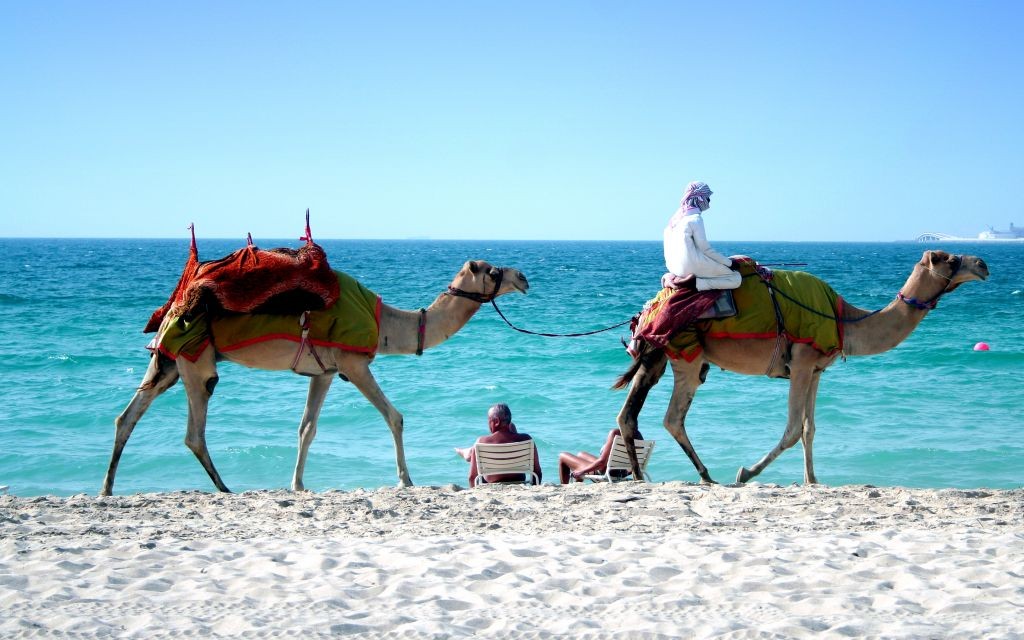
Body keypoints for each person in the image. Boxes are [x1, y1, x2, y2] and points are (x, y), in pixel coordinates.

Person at [662, 181, 742, 291]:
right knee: (736, 279)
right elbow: (705, 249)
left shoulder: (673, 222)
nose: (709, 202)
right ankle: (696, 283)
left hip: (674, 268)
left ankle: (668, 278)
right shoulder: (695, 219)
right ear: (699, 198)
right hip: (690, 268)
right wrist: (729, 263)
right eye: (707, 198)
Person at [455, 403, 542, 486]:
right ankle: (467, 453)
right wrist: (534, 487)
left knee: (473, 450)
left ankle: (466, 453)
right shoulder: (527, 439)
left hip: (490, 483)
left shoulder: (481, 441)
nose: (488, 423)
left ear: (496, 421)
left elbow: (472, 477)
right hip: (519, 481)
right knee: (512, 429)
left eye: (489, 420)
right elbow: (537, 472)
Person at [558, 428, 644, 484]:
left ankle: (564, 488)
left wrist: (582, 472)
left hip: (606, 472)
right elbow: (635, 464)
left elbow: (602, 463)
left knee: (562, 456)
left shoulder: (615, 433)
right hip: (622, 472)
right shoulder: (638, 435)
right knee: (581, 454)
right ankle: (577, 485)